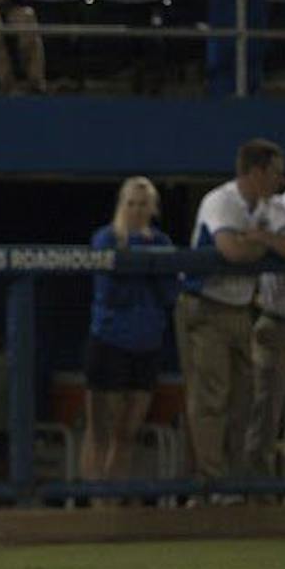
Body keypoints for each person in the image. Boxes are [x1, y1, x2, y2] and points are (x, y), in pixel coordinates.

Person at [175, 139, 285, 488]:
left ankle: (235, 484)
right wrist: (263, 243)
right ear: (256, 172)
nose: (280, 181)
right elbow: (232, 251)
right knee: (211, 398)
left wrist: (263, 239)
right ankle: (211, 486)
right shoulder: (221, 200)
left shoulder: (268, 207)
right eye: (275, 173)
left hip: (240, 311)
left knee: (244, 399)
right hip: (205, 306)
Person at [83, 177, 178, 499]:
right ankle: (95, 502)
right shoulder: (106, 237)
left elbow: (169, 292)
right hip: (110, 341)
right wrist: (145, 266)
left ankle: (114, 501)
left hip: (147, 344)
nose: (137, 210)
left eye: (143, 204)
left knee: (127, 432)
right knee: (100, 431)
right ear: (122, 205)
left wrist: (144, 265)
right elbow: (110, 292)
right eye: (131, 203)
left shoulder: (162, 240)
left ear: (153, 208)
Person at [250, 147, 285, 477]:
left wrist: (272, 241)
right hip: (277, 321)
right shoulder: (270, 207)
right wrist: (270, 240)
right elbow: (247, 241)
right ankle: (258, 490)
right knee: (267, 409)